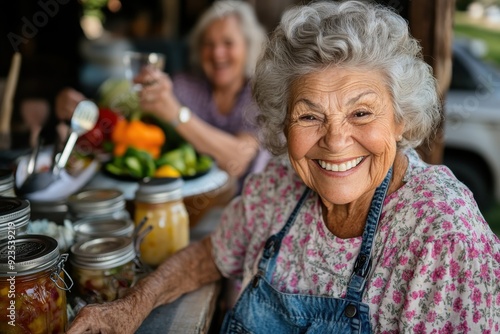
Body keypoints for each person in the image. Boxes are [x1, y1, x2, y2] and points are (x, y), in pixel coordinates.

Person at [67, 1, 500, 333]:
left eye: (362, 114)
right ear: (282, 122)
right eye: (310, 116)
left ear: (400, 119)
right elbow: (211, 254)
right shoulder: (278, 183)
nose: (335, 141)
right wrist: (131, 306)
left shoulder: (444, 236)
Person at [134, 0, 268, 182]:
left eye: (228, 43)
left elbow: (237, 161)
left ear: (248, 46)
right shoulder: (184, 85)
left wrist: (175, 114)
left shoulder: (261, 93)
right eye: (208, 44)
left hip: (244, 201)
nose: (217, 53)